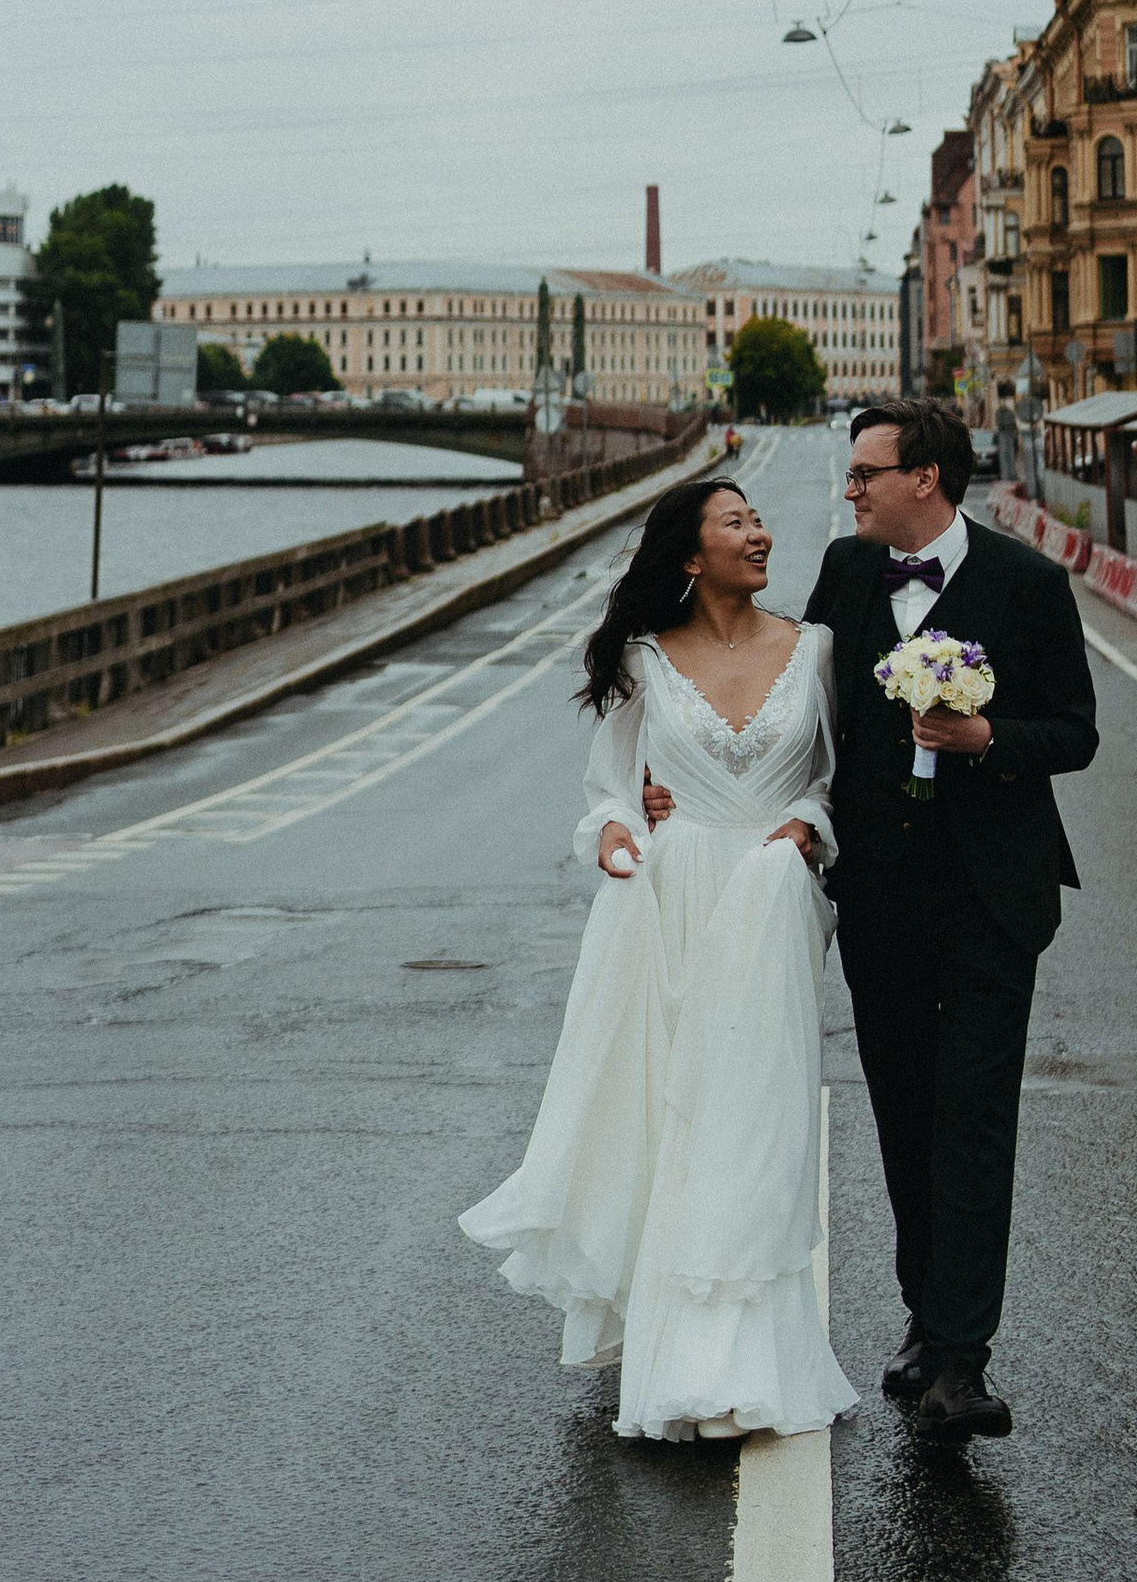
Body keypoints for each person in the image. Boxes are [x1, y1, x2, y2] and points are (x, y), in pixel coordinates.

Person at [459, 473, 856, 1445]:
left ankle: (745, 1350)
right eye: (736, 523)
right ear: (690, 554)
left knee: (752, 1119)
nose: (760, 533)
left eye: (759, 520)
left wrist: (803, 831)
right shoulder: (640, 662)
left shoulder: (818, 651)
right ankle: (673, 1341)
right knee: (671, 1113)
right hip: (669, 904)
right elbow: (606, 795)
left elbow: (836, 782)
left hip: (770, 901)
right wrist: (616, 840)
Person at [800, 394, 1098, 1444]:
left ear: (922, 478)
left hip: (990, 897)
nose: (849, 489)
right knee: (904, 1114)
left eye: (864, 472)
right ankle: (926, 1321)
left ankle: (961, 1364)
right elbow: (802, 711)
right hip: (878, 894)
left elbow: (1074, 731)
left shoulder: (1027, 582)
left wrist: (986, 737)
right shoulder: (843, 574)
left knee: (972, 1114)